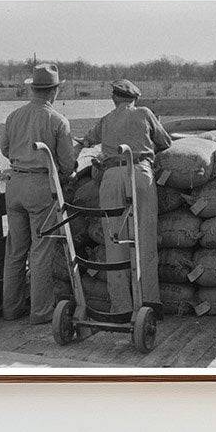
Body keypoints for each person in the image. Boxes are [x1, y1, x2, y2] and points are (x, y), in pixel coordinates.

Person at [81, 79, 172, 315]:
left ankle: (120, 307)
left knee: (114, 241)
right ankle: (149, 303)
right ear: (135, 98)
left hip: (110, 176)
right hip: (139, 173)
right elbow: (165, 142)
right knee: (145, 237)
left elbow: (86, 140)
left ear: (114, 98)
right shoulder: (144, 113)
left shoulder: (107, 119)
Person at [0, 63, 77, 324]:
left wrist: (23, 159)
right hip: (41, 187)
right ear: (54, 92)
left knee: (15, 250)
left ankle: (11, 308)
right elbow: (66, 164)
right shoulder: (57, 121)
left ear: (33, 89)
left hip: (16, 185)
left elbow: (6, 149)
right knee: (41, 251)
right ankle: (40, 312)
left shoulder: (14, 116)